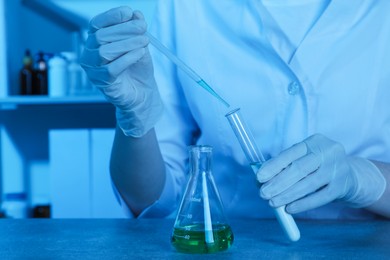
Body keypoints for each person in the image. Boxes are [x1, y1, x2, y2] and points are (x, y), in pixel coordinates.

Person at [80, 1, 390, 220]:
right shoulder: (186, 7)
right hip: (228, 245)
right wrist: (136, 119)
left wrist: (363, 179)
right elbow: (151, 201)